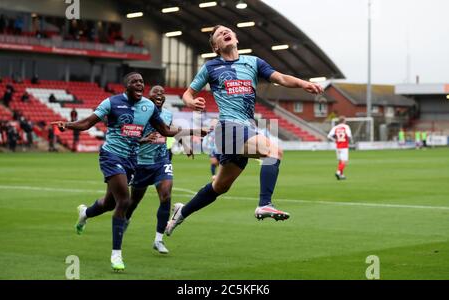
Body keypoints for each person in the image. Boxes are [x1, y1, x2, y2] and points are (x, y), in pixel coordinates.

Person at [164, 25, 323, 236]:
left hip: (245, 128)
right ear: (216, 47)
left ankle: (182, 212)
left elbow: (281, 78)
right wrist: (191, 102)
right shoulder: (211, 67)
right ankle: (264, 203)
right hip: (228, 127)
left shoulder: (253, 62)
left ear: (236, 38)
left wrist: (304, 84)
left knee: (220, 187)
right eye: (220, 34)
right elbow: (187, 94)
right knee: (274, 151)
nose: (225, 34)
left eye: (227, 31)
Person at [51, 72, 205, 272]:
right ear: (127, 86)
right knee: (124, 201)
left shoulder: (148, 107)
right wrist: (68, 124)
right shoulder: (111, 102)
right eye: (135, 81)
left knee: (110, 203)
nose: (139, 84)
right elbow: (88, 123)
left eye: (141, 81)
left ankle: (85, 213)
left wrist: (192, 132)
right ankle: (116, 254)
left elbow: (165, 131)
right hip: (111, 156)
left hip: (132, 160)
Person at [125, 85, 174, 254]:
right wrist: (144, 140)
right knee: (133, 201)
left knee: (166, 195)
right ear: (149, 96)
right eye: (156, 93)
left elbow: (167, 135)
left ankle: (158, 239)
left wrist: (177, 150)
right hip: (141, 163)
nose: (160, 95)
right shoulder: (140, 113)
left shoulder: (168, 114)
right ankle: (125, 219)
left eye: (162, 93)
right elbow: (128, 138)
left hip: (161, 161)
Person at [327, 116, 352, 180]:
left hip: (338, 146)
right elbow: (349, 136)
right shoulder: (346, 127)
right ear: (344, 121)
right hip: (344, 146)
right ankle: (338, 172)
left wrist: (335, 140)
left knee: (340, 161)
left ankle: (341, 175)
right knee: (344, 161)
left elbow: (329, 136)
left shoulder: (335, 127)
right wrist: (350, 141)